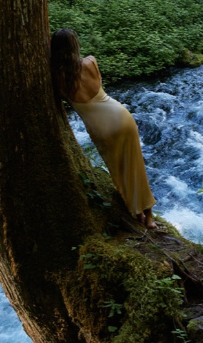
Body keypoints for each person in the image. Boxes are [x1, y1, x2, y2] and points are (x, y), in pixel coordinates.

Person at [50, 29, 157, 228]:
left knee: (118, 170)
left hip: (101, 129)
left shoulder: (55, 78)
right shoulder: (90, 62)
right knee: (136, 167)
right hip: (120, 116)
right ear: (75, 45)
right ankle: (149, 217)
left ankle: (136, 212)